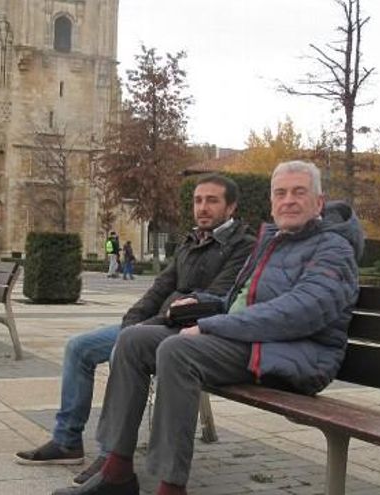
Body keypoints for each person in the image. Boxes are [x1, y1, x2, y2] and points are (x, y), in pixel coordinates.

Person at [54, 161, 363, 495]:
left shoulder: (334, 248)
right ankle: (117, 470)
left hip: (289, 353)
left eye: (299, 192)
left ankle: (170, 486)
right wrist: (201, 304)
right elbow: (236, 299)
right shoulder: (272, 242)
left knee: (177, 351)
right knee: (133, 340)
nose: (288, 200)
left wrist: (211, 325)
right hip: (251, 342)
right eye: (280, 193)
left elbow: (301, 311)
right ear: (272, 202)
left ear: (319, 202)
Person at [14, 174, 255, 486]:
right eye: (198, 200)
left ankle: (110, 455)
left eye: (212, 200)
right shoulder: (191, 240)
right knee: (78, 347)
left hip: (187, 334)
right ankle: (67, 441)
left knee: (124, 349)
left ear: (231, 206)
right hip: (151, 324)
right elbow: (159, 289)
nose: (203, 208)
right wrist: (133, 321)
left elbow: (208, 303)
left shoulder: (242, 247)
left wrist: (139, 330)